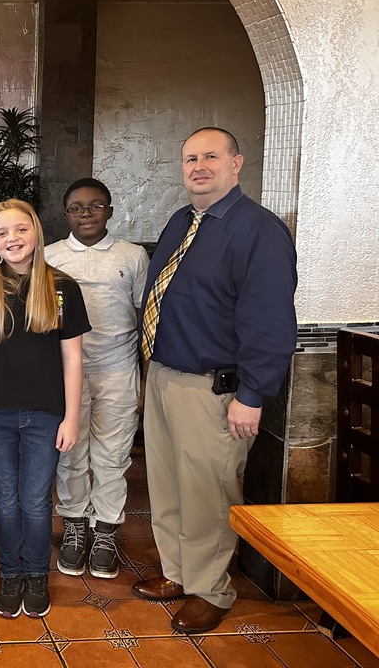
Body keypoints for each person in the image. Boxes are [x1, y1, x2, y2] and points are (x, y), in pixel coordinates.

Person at [133, 127, 296, 634]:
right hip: (163, 374)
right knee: (167, 484)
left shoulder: (258, 230)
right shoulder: (184, 220)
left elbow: (269, 321)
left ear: (236, 163)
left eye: (210, 156)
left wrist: (251, 395)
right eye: (189, 159)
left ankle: (211, 589)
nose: (198, 166)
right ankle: (179, 572)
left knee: (208, 489)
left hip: (213, 387)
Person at [0, 199, 89, 619]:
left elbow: (73, 359)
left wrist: (71, 416)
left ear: (36, 234)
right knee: (6, 498)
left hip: (47, 415)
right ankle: (10, 574)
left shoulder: (62, 287)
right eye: (2, 232)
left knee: (34, 500)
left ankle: (36, 575)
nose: (12, 238)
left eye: (21, 229)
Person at [45, 178, 149, 579]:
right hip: (67, 372)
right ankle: (74, 525)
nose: (86, 213)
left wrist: (142, 374)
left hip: (118, 368)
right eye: (76, 207)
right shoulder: (50, 256)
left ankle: (105, 529)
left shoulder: (132, 255)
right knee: (71, 452)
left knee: (113, 453)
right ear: (66, 212)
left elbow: (145, 317)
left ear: (110, 209)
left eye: (95, 206)